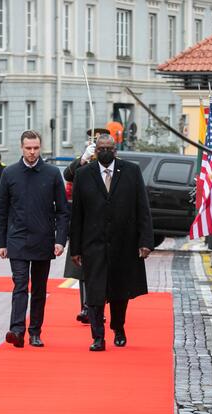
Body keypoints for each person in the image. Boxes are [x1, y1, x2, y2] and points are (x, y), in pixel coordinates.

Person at [70, 134, 154, 351]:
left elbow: (142, 209)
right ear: (95, 151)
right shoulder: (83, 174)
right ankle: (97, 337)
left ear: (115, 150)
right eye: (101, 148)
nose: (105, 152)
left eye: (109, 148)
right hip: (93, 242)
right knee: (95, 291)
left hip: (123, 242)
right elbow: (77, 214)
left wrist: (145, 241)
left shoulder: (131, 171)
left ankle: (118, 327)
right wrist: (75, 248)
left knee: (119, 291)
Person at [0, 130, 69, 348]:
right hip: (17, 239)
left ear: (40, 147)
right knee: (19, 285)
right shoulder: (9, 173)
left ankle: (35, 331)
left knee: (38, 288)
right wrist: (1, 243)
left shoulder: (52, 173)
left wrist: (60, 240)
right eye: (28, 148)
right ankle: (17, 330)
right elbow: (2, 210)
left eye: (36, 148)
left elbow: (63, 211)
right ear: (21, 148)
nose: (32, 152)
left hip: (43, 239)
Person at [63, 128, 110, 324]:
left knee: (105, 270)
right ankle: (85, 306)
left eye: (99, 138)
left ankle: (99, 306)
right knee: (82, 270)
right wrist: (83, 159)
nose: (96, 141)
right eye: (93, 138)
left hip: (106, 221)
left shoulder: (110, 159)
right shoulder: (84, 160)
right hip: (85, 222)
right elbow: (68, 175)